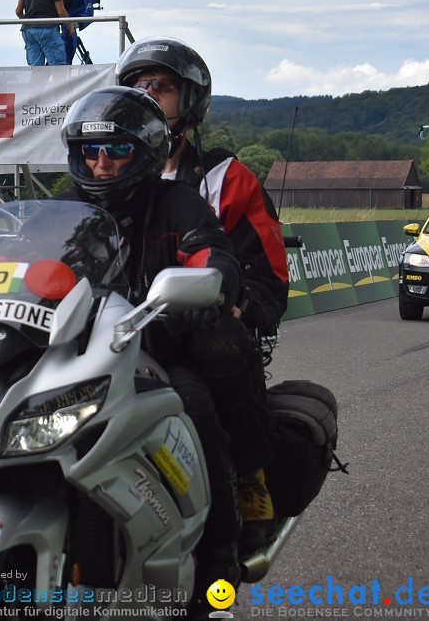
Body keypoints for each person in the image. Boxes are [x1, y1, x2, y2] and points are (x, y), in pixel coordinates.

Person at [53, 87, 244, 609]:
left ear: (147, 153)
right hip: (78, 358)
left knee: (196, 411)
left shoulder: (175, 201)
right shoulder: (61, 210)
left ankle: (220, 551)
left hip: (159, 353)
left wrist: (214, 280)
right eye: (91, 151)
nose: (102, 163)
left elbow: (212, 251)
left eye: (117, 150)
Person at [116, 37, 289, 549]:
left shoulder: (224, 177)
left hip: (191, 330)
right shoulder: (103, 169)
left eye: (161, 86)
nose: (147, 93)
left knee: (214, 367)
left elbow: (269, 272)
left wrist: (238, 304)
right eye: (137, 85)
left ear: (188, 101)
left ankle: (245, 481)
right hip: (112, 333)